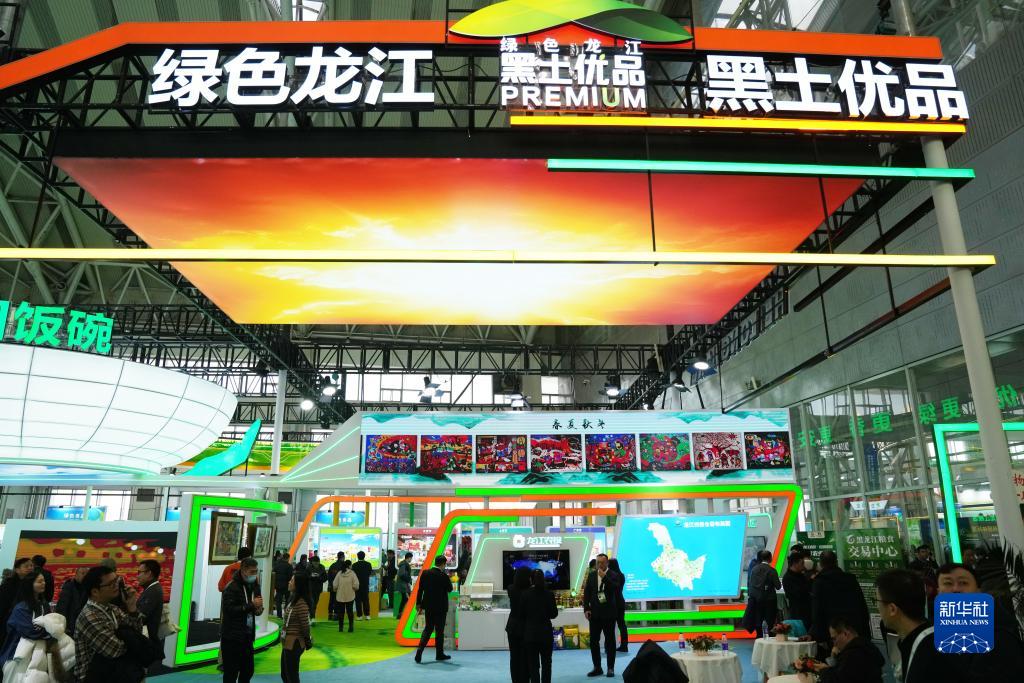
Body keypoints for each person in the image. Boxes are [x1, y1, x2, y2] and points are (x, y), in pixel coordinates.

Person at [935, 562, 1024, 682]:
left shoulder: (999, 634)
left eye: (963, 583)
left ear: (978, 591)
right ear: (938, 592)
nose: (956, 589)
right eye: (948, 583)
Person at [876, 569, 956, 683]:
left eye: (877, 601)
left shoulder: (927, 655)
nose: (877, 607)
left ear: (892, 609)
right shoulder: (930, 638)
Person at [72, 564, 146, 682]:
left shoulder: (111, 608)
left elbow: (137, 632)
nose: (117, 585)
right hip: (91, 677)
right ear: (95, 591)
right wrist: (132, 640)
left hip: (111, 672)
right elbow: (115, 650)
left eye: (117, 580)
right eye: (111, 583)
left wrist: (132, 607)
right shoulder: (90, 616)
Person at [810, 551, 870, 645]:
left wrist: (816, 635)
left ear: (820, 564)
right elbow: (861, 605)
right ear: (836, 562)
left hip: (832, 632)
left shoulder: (819, 582)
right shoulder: (850, 579)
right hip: (854, 628)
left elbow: (817, 610)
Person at [221, 557, 264, 683]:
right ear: (243, 570)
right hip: (232, 637)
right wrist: (251, 605)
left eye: (256, 571)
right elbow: (229, 610)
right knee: (231, 673)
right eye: (252, 572)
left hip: (247, 636)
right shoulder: (231, 587)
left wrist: (258, 609)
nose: (255, 575)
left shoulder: (255, 585)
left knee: (248, 670)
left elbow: (257, 605)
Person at [807, 616, 884, 683]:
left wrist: (823, 670)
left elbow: (837, 680)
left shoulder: (853, 654)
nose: (834, 644)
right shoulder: (866, 646)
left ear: (845, 634)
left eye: (834, 639)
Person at [0, 570, 52, 668]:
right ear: (30, 584)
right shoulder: (21, 608)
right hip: (17, 656)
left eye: (44, 581)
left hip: (39, 653)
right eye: (39, 581)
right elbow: (30, 631)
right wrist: (49, 632)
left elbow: (51, 623)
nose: (43, 583)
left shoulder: (44, 605)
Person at [583, 553, 621, 678]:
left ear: (607, 563)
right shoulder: (592, 575)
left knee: (610, 642)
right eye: (598, 562)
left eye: (602, 562)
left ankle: (610, 668)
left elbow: (616, 589)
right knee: (594, 642)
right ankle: (597, 667)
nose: (599, 564)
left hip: (609, 614)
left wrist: (604, 577)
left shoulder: (614, 575)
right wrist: (586, 608)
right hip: (594, 614)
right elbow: (587, 593)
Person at [414, 555, 453, 664]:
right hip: (441, 607)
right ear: (443, 564)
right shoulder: (444, 576)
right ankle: (439, 654)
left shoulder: (425, 573)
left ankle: (420, 650)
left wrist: (418, 604)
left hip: (429, 606)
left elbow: (420, 589)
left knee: (428, 629)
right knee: (439, 631)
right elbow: (450, 589)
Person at [522, 568, 558, 683]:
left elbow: (522, 614)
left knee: (533, 665)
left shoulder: (525, 594)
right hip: (546, 634)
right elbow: (554, 614)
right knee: (547, 663)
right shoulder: (549, 594)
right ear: (543, 579)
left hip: (530, 634)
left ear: (531, 580)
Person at [281, 571, 312, 683]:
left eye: (292, 580)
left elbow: (305, 626)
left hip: (294, 643)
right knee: (285, 675)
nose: (289, 582)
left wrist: (307, 639)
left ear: (298, 585)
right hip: (288, 641)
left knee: (291, 676)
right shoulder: (293, 599)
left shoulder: (301, 603)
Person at [136, 559, 164, 670]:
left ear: (149, 573)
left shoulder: (153, 591)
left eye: (140, 572)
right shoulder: (152, 589)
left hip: (148, 643)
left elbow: (140, 617)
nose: (137, 576)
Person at [748, 550, 782, 638]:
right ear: (770, 558)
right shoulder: (772, 570)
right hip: (770, 600)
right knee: (770, 620)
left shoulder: (754, 569)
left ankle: (759, 637)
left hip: (757, 599)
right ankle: (769, 637)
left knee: (758, 619)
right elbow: (778, 586)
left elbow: (751, 584)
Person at [506, 566, 531, 683]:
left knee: (514, 657)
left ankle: (515, 680)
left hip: (512, 626)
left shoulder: (510, 588)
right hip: (526, 626)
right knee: (526, 657)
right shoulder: (530, 591)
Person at [0, 558, 34, 638]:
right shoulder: (8, 585)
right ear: (17, 570)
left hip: (26, 621)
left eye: (31, 566)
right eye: (26, 566)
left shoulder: (33, 585)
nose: (30, 568)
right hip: (8, 621)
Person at [56, 566, 90, 638]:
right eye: (82, 573)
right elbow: (62, 607)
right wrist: (63, 625)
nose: (85, 576)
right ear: (76, 575)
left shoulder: (88, 588)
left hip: (84, 624)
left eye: (87, 574)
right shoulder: (68, 587)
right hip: (70, 623)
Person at [782, 551, 813, 630]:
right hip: (797, 613)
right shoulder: (787, 578)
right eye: (802, 563)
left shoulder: (801, 575)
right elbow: (798, 594)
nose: (803, 566)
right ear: (795, 563)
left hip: (808, 611)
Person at [607, 558, 628, 652]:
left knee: (609, 626)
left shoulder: (610, 576)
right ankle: (624, 645)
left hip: (612, 603)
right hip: (620, 601)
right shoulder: (622, 575)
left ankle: (609, 646)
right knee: (622, 625)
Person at [332, 560, 359, 633]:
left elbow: (335, 584)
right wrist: (354, 589)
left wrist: (335, 590)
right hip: (350, 596)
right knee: (350, 612)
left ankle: (341, 628)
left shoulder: (339, 573)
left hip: (340, 596)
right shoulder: (352, 573)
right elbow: (356, 585)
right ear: (349, 565)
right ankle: (351, 627)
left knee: (341, 613)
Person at [351, 551, 372, 621]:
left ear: (357, 556)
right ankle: (367, 615)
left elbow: (353, 575)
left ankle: (359, 616)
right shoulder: (368, 564)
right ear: (364, 556)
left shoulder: (354, 565)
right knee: (366, 600)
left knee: (358, 601)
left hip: (357, 585)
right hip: (365, 584)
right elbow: (369, 573)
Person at [274, 552, 294, 619]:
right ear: (288, 558)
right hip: (286, 586)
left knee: (278, 601)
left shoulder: (277, 565)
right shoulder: (289, 566)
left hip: (278, 586)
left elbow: (274, 573)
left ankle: (279, 615)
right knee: (287, 601)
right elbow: (290, 577)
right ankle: (286, 614)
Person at [307, 555, 327, 623]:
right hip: (310, 588)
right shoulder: (309, 568)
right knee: (312, 603)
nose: (316, 564)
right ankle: (312, 617)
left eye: (317, 563)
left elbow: (325, 578)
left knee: (315, 603)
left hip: (318, 588)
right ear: (312, 562)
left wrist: (319, 577)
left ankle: (312, 617)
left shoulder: (322, 568)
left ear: (319, 562)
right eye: (314, 563)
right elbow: (305, 577)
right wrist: (311, 576)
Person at [326, 552, 345, 620]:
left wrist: (331, 585)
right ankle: (336, 615)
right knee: (339, 601)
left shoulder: (333, 565)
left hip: (333, 586)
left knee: (331, 600)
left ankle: (330, 614)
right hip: (340, 586)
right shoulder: (344, 566)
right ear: (342, 557)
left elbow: (329, 576)